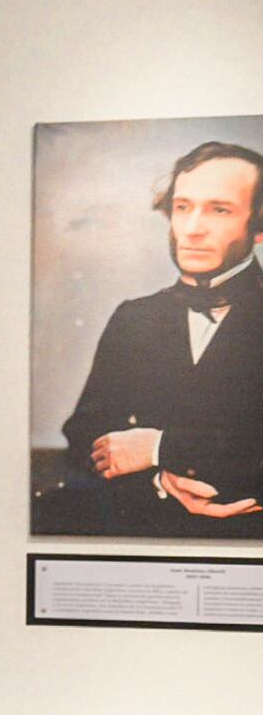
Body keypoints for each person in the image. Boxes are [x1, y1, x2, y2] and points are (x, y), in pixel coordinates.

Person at [61, 141, 263, 528]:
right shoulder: (135, 317)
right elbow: (82, 435)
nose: (193, 229)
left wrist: (158, 447)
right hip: (146, 533)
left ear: (258, 226)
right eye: (182, 207)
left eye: (219, 210)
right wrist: (160, 481)